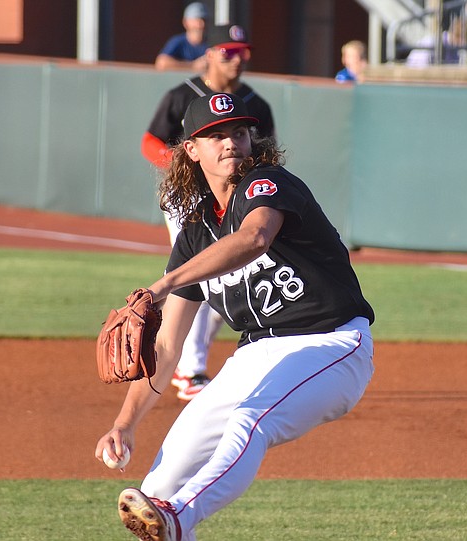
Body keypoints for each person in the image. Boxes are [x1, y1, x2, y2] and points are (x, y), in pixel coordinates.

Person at [96, 92, 375, 541]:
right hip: (256, 356)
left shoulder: (268, 184)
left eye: (239, 133)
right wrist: (124, 425)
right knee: (153, 491)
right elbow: (168, 347)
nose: (231, 142)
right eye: (216, 135)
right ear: (191, 150)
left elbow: (255, 238)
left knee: (251, 421)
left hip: (332, 344)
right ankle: (171, 522)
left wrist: (163, 285)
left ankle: (180, 519)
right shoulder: (195, 232)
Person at [141, 23, 276, 401]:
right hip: (189, 197)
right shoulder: (181, 94)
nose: (236, 59)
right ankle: (190, 369)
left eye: (242, 51)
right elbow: (149, 142)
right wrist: (188, 166)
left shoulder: (256, 104)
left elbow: (266, 158)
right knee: (200, 271)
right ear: (210, 54)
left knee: (232, 272)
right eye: (228, 51)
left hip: (237, 194)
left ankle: (191, 364)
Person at [155, 2, 209, 72]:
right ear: (185, 22)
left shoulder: (210, 45)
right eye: (197, 20)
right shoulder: (178, 42)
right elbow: (161, 63)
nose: (201, 24)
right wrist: (192, 66)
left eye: (204, 20)